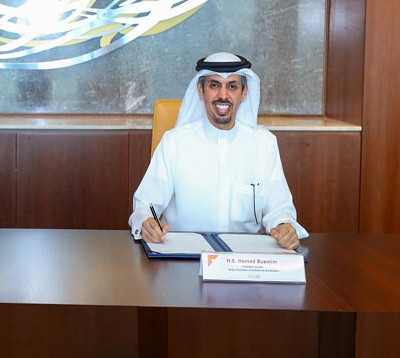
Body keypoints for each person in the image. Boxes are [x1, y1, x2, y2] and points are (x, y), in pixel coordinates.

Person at [129, 52, 307, 249]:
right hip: (183, 254)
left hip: (245, 257)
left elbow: (279, 209)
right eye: (214, 85)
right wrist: (146, 222)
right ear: (200, 90)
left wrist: (283, 227)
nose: (223, 95)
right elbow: (145, 204)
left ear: (244, 93)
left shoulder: (264, 144)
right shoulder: (175, 142)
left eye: (232, 86)